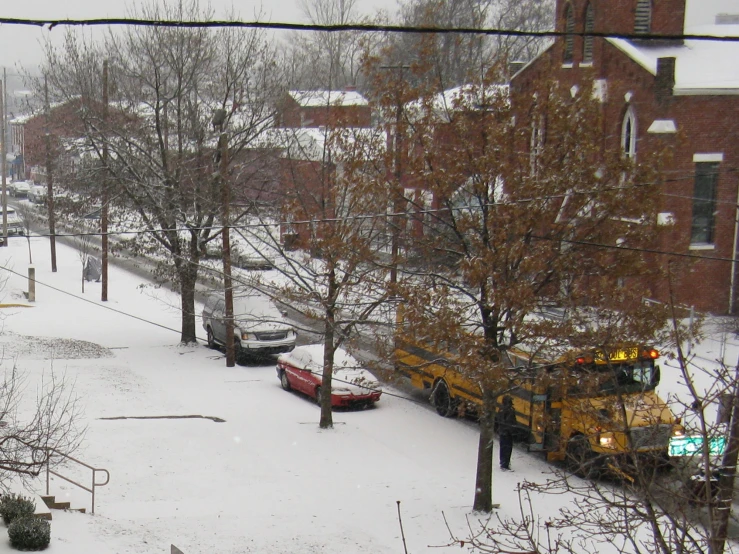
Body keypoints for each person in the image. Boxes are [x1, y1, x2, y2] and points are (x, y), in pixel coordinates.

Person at [496, 395, 516, 471]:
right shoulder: (508, 410)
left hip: (503, 432)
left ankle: (504, 463)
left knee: (504, 448)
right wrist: (510, 429)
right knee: (507, 448)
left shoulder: (501, 409)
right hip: (507, 432)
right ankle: (505, 464)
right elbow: (508, 422)